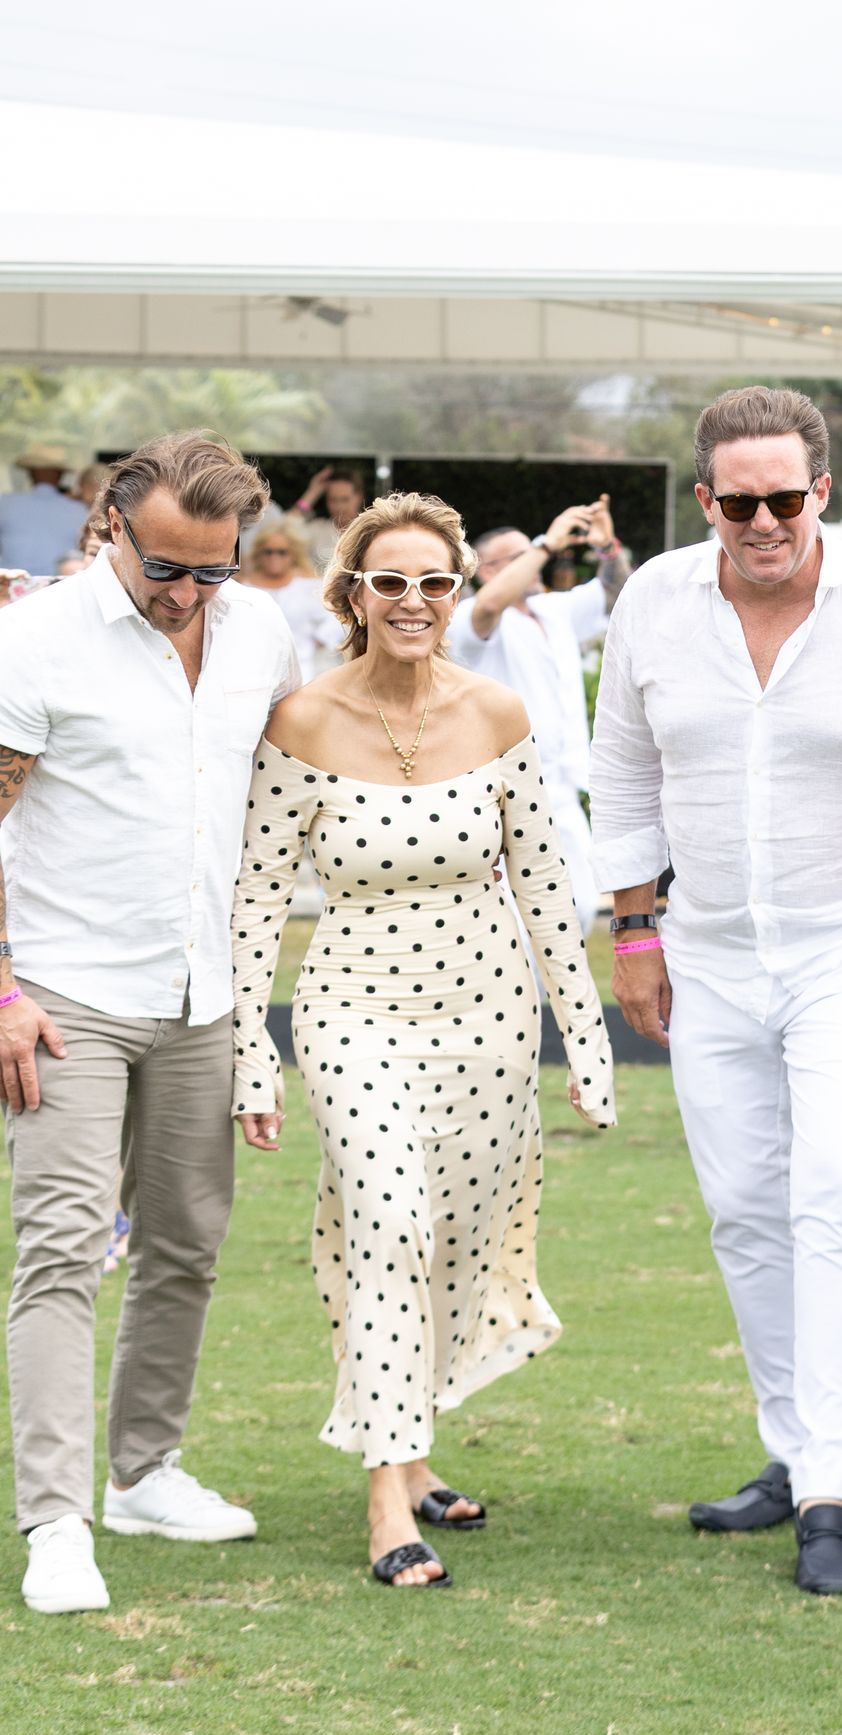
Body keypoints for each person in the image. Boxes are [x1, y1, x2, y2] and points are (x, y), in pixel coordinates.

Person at [590, 385, 842, 1598]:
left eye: (785, 498)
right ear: (706, 499)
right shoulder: (657, 599)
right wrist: (636, 927)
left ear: (823, 490)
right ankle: (790, 1443)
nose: (763, 522)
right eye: (738, 501)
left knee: (838, 1189)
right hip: (706, 950)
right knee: (744, 1209)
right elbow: (622, 767)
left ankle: (833, 1490)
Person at [230, 491, 615, 1592]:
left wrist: (581, 1043)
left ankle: (416, 1445)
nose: (412, 601)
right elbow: (258, 901)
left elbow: (547, 890)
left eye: (433, 583)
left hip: (489, 1020)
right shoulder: (302, 719)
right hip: (352, 1015)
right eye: (387, 582)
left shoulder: (496, 713)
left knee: (449, 1238)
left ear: (458, 594)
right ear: (349, 592)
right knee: (387, 1224)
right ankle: (387, 1502)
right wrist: (254, 1052)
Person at [0, 431, 297, 1617]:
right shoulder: (36, 638)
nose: (185, 595)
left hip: (204, 990)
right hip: (64, 991)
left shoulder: (261, 630)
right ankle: (58, 1523)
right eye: (165, 567)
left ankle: (145, 1474)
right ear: (110, 526)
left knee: (185, 1242)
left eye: (211, 573)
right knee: (64, 1249)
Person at [448, 497, 629, 938]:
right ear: (488, 569)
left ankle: (545, 1001)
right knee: (510, 916)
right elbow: (489, 606)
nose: (537, 560)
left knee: (581, 904)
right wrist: (547, 542)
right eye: (521, 554)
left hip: (562, 787)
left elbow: (616, 592)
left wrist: (606, 546)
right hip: (500, 790)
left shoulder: (554, 610)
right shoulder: (470, 618)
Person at [241, 516, 336, 682]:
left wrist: (316, 642)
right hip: (254, 671)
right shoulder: (245, 588)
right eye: (268, 551)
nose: (274, 557)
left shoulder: (309, 585)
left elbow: (335, 618)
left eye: (281, 552)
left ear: (293, 554)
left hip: (304, 670)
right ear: (259, 553)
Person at [0, 452, 88, 576]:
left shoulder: (5, 503)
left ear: (30, 474)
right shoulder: (79, 510)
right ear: (60, 475)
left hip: (10, 588)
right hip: (58, 587)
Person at [287, 466, 368, 571]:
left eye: (345, 499)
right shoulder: (317, 529)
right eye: (333, 500)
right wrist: (312, 493)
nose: (339, 507)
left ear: (359, 498)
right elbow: (285, 531)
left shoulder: (370, 531)